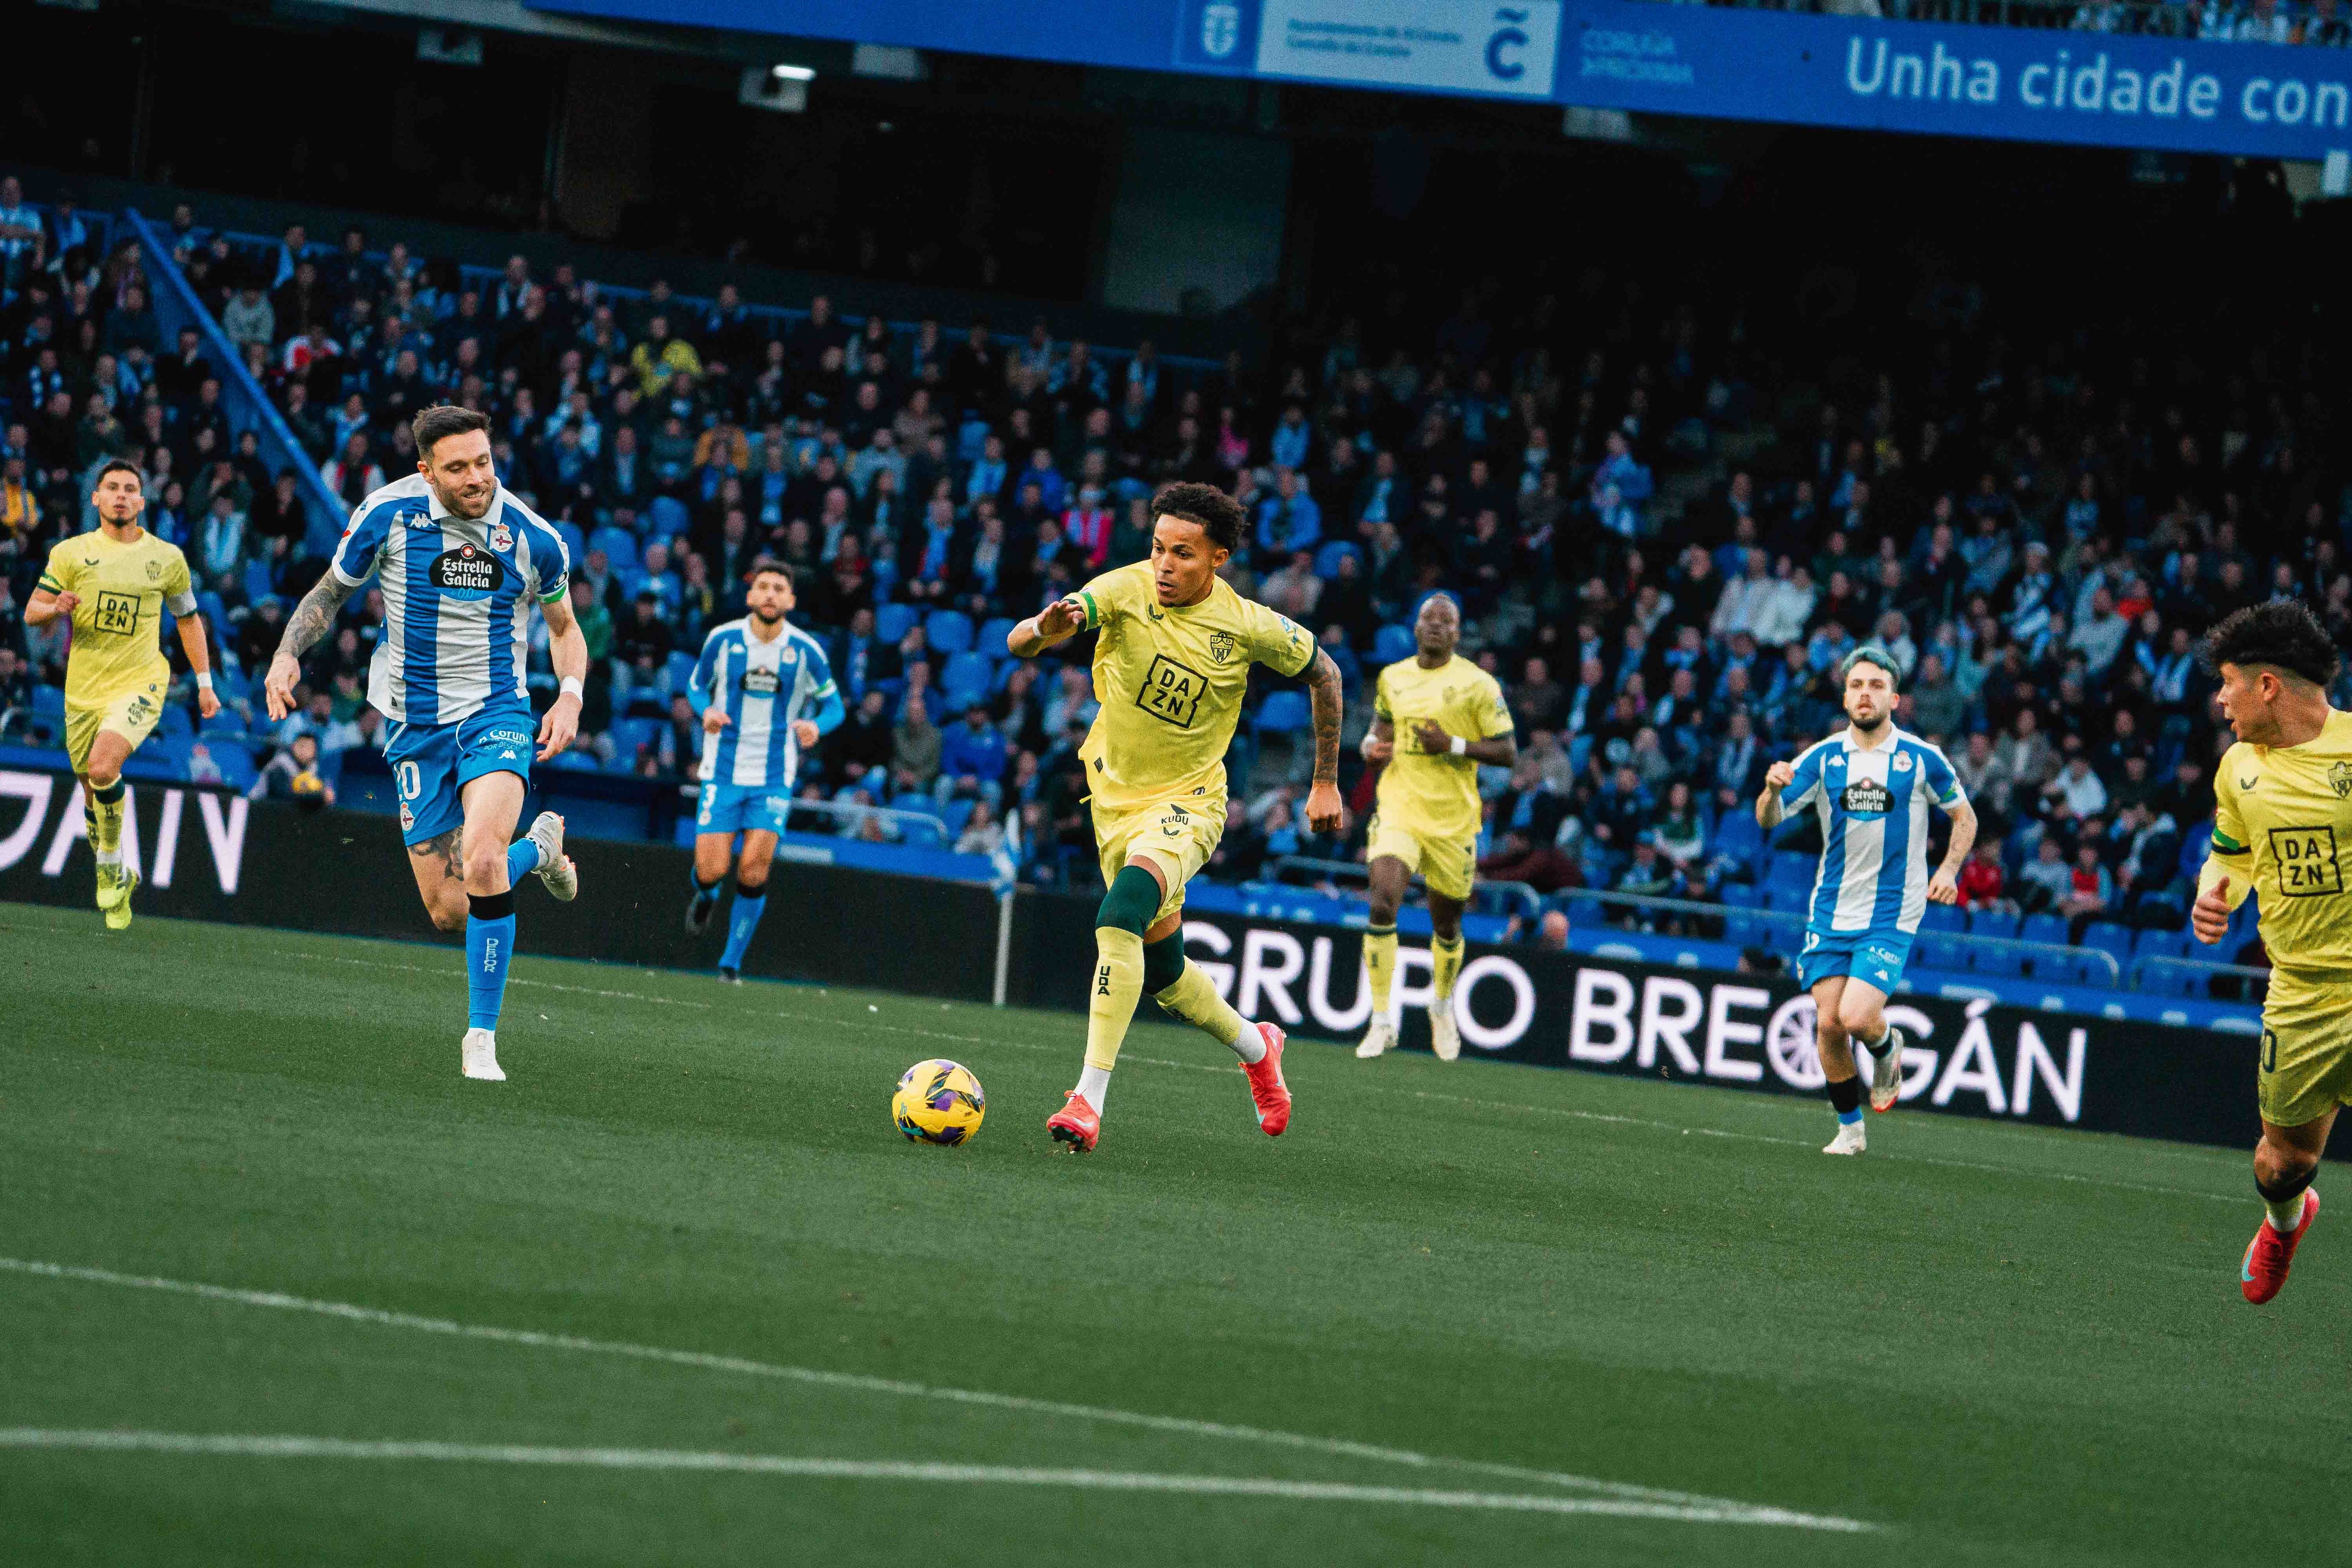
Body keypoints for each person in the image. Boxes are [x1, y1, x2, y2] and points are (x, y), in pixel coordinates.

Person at [1005, 481, 1344, 1152]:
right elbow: (1022, 643)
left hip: (1189, 802)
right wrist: (1044, 631)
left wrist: (1326, 779)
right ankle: (1258, 1046)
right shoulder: (1124, 588)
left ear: (1218, 558)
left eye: (1183, 554)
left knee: (1118, 915)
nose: (1164, 565)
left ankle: (1086, 1100)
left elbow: (1325, 673)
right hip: (1112, 799)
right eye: (1158, 548)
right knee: (1162, 972)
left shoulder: (1247, 625)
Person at [264, 406, 587, 1084]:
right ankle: (544, 845)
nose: (477, 478)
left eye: (484, 462)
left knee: (483, 854)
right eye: (459, 467)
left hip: (497, 713)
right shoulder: (385, 515)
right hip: (414, 723)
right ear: (426, 471)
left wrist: (570, 694)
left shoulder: (532, 536)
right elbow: (328, 596)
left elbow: (563, 626)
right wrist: (288, 653)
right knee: (449, 910)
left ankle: (480, 1038)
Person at [2189, 601, 2352, 1305]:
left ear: (2267, 686)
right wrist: (2213, 894)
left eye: (2228, 682)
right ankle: (2284, 1223)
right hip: (2302, 993)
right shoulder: (2238, 770)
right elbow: (2231, 853)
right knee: (2283, 1161)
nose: (2220, 698)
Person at [1757, 645, 1976, 1156]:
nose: (1864, 694)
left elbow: (1963, 818)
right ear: (1844, 695)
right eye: (1856, 685)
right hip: (1831, 910)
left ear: (1894, 699)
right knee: (1828, 1025)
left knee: (1856, 1018)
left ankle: (1886, 1044)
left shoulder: (1920, 759)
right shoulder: (1823, 757)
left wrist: (1947, 870)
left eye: (1876, 686)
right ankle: (1850, 1131)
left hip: (1890, 912)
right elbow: (1768, 820)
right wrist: (1769, 791)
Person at [23, 460, 220, 929]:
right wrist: (55, 605)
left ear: (142, 501)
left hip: (140, 681)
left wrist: (206, 684)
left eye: (130, 489)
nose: (120, 495)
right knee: (92, 793)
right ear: (95, 498)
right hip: (84, 689)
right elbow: (32, 611)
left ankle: (110, 861)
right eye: (111, 488)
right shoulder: (70, 554)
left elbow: (188, 620)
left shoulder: (166, 558)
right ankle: (116, 868)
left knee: (103, 765)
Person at [1353, 593, 1517, 1063]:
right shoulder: (1393, 677)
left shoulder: (1477, 685)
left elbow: (1507, 753)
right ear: (1416, 625)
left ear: (1457, 633)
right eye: (1429, 618)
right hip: (1400, 808)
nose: (1436, 626)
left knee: (1446, 926)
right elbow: (1380, 729)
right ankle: (1381, 1020)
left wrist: (1454, 744)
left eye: (1446, 621)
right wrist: (1369, 746)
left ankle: (1440, 1004)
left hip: (1452, 823)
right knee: (1382, 902)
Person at [683, 560, 844, 983]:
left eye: (780, 589)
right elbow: (696, 687)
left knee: (754, 869)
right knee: (712, 869)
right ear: (751, 595)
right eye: (764, 587)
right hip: (722, 770)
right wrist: (707, 712)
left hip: (774, 775)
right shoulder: (723, 639)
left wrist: (815, 726)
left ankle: (730, 964)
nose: (771, 594)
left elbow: (835, 706)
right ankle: (706, 894)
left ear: (791, 600)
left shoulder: (806, 651)